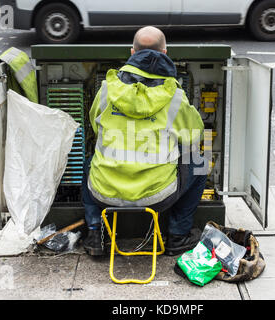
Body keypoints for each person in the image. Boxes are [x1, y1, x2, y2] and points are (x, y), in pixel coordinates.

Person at [81, 26, 207, 256]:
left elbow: (95, 128)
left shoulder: (107, 89)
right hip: (158, 196)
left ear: (132, 53)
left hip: (104, 193)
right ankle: (178, 236)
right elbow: (195, 135)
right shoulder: (175, 96)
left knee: (89, 160)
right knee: (199, 162)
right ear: (165, 53)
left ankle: (94, 234)